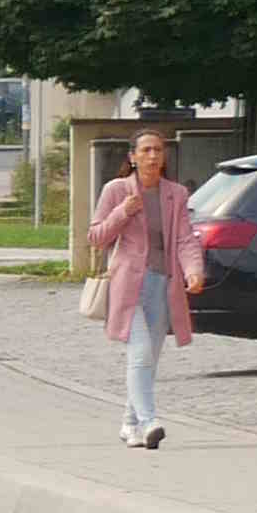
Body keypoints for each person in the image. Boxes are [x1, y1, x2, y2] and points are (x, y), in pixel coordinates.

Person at [91, 125, 204, 449]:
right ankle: (150, 421)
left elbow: (184, 238)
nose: (153, 155)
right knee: (140, 354)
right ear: (133, 157)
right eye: (146, 150)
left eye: (158, 150)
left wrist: (193, 270)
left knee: (149, 359)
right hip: (128, 285)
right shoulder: (117, 190)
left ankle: (130, 424)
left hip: (163, 285)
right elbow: (96, 236)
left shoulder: (176, 194)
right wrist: (121, 213)